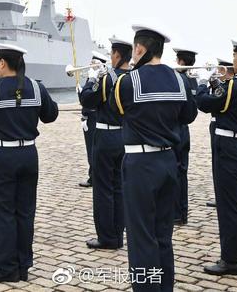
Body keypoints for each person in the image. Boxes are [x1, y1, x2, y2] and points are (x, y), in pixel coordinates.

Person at [110, 25, 197, 291]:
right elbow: (188, 116)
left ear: (140, 49)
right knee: (163, 236)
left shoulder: (128, 81)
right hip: (168, 162)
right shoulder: (179, 80)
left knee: (140, 237)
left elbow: (116, 113)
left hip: (140, 164)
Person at [0, 42, 59, 283]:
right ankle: (23, 265)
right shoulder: (37, 87)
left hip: (3, 156)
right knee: (25, 212)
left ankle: (6, 268)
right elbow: (51, 115)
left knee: (3, 213)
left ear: (2, 63)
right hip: (28, 156)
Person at [196, 41, 237, 276]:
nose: (232, 60)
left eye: (235, 56)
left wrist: (204, 84)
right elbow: (228, 103)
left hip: (229, 147)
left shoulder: (235, 84)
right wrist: (218, 84)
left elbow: (206, 104)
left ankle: (231, 260)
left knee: (229, 206)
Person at [80, 37, 132, 249]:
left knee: (103, 188)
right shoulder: (133, 78)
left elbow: (87, 100)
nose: (110, 58)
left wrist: (92, 80)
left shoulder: (109, 78)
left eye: (111, 54)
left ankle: (107, 237)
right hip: (126, 137)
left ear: (117, 56)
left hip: (106, 135)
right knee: (119, 187)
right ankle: (118, 234)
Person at [172, 47, 199, 225]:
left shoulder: (178, 79)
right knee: (182, 172)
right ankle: (182, 212)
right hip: (184, 130)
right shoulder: (193, 80)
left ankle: (176, 213)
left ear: (180, 61)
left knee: (175, 172)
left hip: (175, 129)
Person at [205, 59, 234, 209]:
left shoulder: (228, 86)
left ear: (224, 71)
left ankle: (222, 197)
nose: (216, 71)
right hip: (218, 124)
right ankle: (221, 195)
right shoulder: (224, 85)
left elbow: (208, 102)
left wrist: (206, 82)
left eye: (219, 69)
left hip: (220, 125)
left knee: (219, 164)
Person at [79, 51, 109, 187]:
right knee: (89, 147)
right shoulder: (92, 76)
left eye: (93, 63)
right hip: (88, 116)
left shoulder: (98, 79)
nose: (90, 65)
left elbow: (93, 98)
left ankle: (93, 177)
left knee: (93, 148)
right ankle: (93, 174)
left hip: (94, 116)